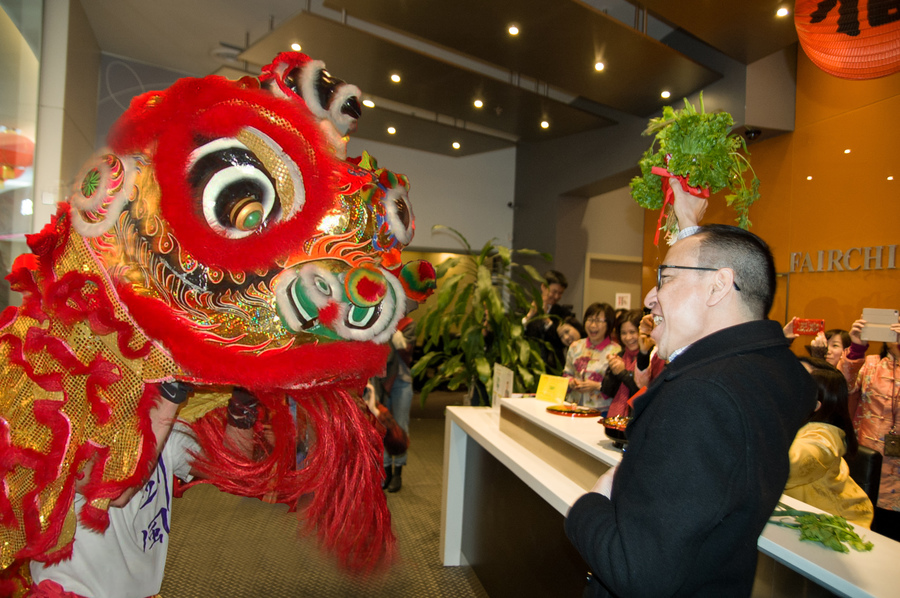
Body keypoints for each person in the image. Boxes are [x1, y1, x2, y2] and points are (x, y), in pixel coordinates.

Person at [565, 187, 816, 597]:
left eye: (664, 278)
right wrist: (689, 229)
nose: (650, 297)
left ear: (718, 288)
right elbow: (715, 335)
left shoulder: (703, 397)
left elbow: (637, 571)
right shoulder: (775, 374)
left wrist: (590, 504)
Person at [28, 383, 256, 598]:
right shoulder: (63, 430)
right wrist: (172, 391)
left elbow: (234, 472)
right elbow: (116, 492)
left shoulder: (165, 431)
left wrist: (244, 402)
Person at [785, 358, 873, 528]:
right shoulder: (792, 422)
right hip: (798, 521)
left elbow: (785, 465)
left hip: (837, 529)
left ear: (815, 404)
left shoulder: (824, 437)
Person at [842, 312, 900, 540]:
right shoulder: (871, 364)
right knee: (862, 531)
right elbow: (843, 388)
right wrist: (856, 349)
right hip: (868, 461)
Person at [602, 310, 665, 419]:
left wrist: (622, 373)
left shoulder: (651, 356)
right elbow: (606, 391)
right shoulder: (620, 355)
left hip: (639, 418)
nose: (628, 338)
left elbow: (643, 391)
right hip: (615, 416)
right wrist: (613, 371)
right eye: (623, 333)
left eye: (632, 332)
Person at [378, 316, 416, 493]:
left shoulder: (408, 323)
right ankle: (385, 471)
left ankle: (398, 472)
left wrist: (394, 331)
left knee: (401, 425)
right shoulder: (379, 321)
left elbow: (406, 349)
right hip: (381, 380)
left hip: (402, 381)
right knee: (382, 425)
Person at [562, 302, 619, 412]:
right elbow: (567, 374)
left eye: (598, 321)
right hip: (574, 406)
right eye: (590, 320)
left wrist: (596, 385)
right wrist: (571, 382)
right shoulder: (575, 346)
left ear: (609, 324)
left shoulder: (616, 351)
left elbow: (616, 385)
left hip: (601, 409)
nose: (593, 325)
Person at [524, 270, 572, 372]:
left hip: (553, 367)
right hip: (529, 366)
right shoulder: (526, 306)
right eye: (554, 291)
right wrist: (528, 316)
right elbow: (518, 334)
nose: (556, 297)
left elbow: (560, 342)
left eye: (560, 293)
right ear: (543, 287)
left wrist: (546, 319)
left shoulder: (563, 313)